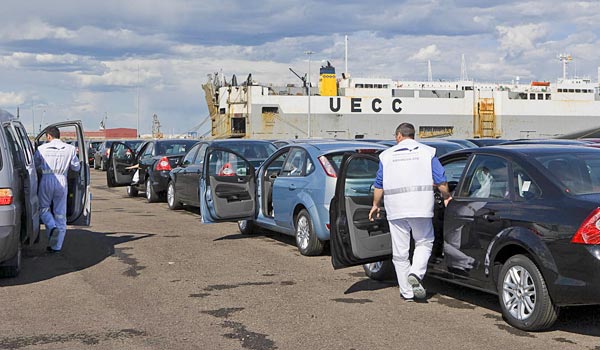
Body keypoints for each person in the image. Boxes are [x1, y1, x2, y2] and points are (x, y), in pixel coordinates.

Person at [369, 123, 452, 301]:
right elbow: (441, 180)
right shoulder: (428, 152)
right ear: (413, 136)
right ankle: (416, 273)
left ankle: (406, 292)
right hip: (421, 206)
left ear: (399, 136)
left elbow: (379, 184)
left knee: (400, 253)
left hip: (395, 208)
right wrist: (446, 196)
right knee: (424, 241)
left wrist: (375, 205)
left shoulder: (386, 156)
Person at [34, 127, 81, 252]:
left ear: (49, 136)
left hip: (46, 179)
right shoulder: (70, 149)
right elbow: (76, 167)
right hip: (62, 180)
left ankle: (51, 225)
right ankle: (56, 246)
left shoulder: (41, 148)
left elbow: (34, 164)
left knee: (43, 209)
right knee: (60, 213)